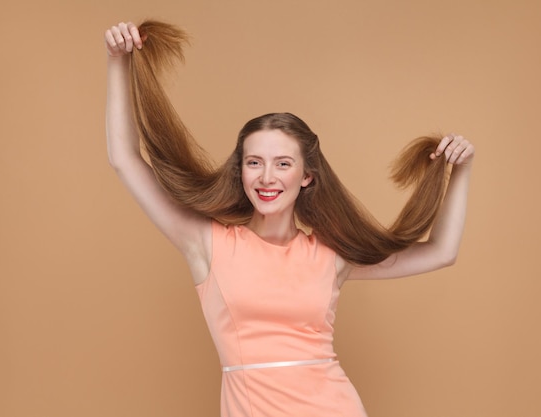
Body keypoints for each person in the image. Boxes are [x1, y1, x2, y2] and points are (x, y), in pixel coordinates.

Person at [105, 20, 474, 417]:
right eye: (254, 163)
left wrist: (461, 170)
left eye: (283, 163)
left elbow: (441, 252)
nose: (267, 177)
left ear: (306, 176)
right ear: (240, 171)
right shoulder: (206, 243)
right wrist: (117, 62)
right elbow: (125, 159)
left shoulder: (331, 255)